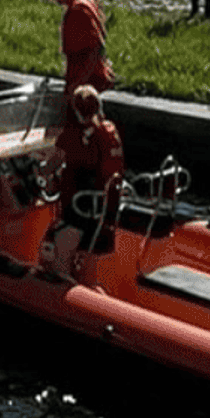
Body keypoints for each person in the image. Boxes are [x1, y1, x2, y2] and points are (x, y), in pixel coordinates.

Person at [43, 84, 125, 276]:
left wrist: (41, 172)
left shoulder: (72, 136)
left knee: (57, 244)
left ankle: (60, 281)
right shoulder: (109, 132)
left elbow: (51, 165)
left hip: (79, 211)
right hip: (105, 210)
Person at [44, 0, 114, 93]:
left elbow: (96, 48)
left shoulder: (78, 11)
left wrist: (78, 83)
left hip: (88, 81)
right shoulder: (86, 3)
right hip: (85, 78)